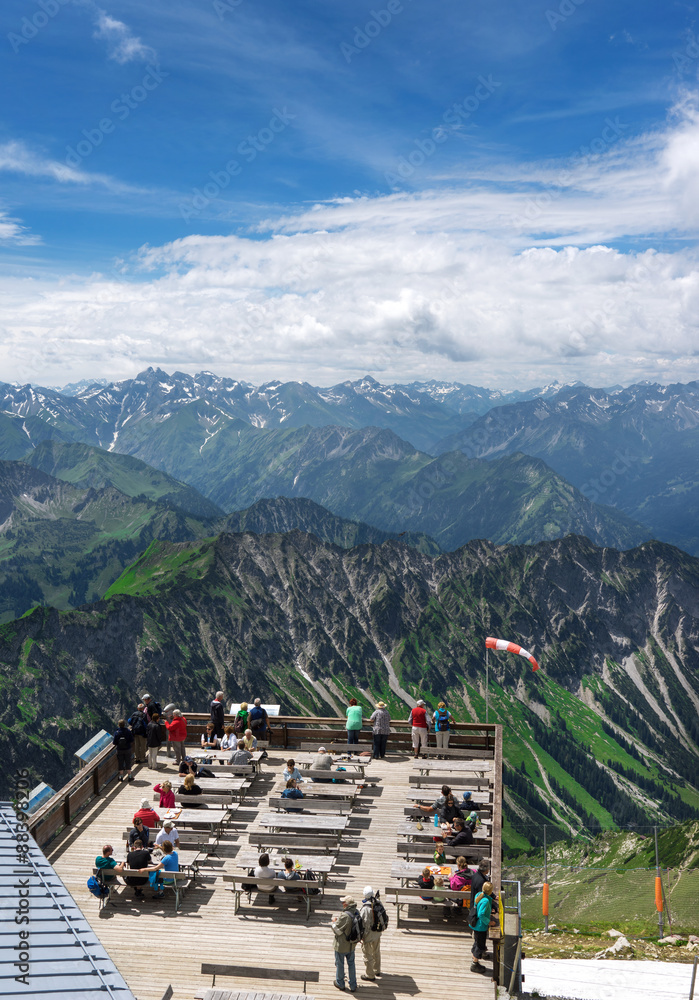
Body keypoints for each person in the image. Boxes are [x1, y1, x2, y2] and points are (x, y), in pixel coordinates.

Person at [332, 894, 360, 992]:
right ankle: (353, 985)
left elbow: (337, 930)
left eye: (343, 902)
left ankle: (340, 983)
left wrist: (334, 922)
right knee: (351, 964)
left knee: (340, 964)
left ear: (347, 904)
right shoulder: (356, 912)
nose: (342, 903)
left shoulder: (345, 915)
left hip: (342, 945)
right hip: (352, 944)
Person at [358, 885, 382, 982]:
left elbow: (365, 923)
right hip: (377, 932)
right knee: (376, 951)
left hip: (368, 935)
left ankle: (370, 974)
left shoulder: (365, 908)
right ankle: (377, 970)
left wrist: (362, 936)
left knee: (367, 954)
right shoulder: (378, 902)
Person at [470, 881, 494, 974]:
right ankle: (474, 964)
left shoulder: (479, 894)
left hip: (475, 924)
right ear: (490, 891)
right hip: (481, 926)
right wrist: (489, 922)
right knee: (479, 945)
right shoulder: (486, 900)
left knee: (477, 941)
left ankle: (475, 956)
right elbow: (481, 914)